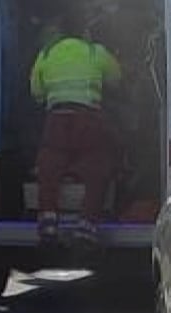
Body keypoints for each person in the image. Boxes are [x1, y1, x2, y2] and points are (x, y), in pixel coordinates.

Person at [29, 20, 124, 243]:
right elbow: (117, 79)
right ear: (85, 33)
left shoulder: (46, 53)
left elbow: (36, 92)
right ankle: (87, 224)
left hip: (56, 119)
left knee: (49, 165)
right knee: (97, 165)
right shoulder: (95, 51)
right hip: (88, 119)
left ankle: (48, 221)